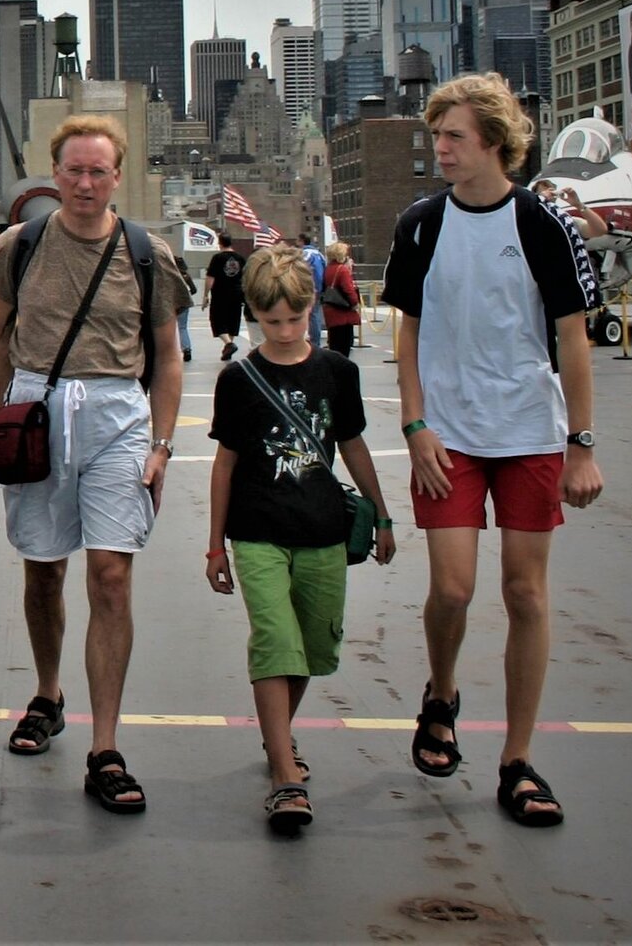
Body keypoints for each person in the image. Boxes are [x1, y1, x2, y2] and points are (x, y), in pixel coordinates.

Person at [386, 73, 603, 828]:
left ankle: (517, 760)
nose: (440, 149)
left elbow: (573, 337)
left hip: (528, 432)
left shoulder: (544, 225)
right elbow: (408, 333)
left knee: (525, 593)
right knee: (452, 589)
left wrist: (580, 445)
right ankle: (441, 695)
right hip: (448, 434)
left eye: (454, 137)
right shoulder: (421, 225)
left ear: (494, 143)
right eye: (436, 136)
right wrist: (415, 425)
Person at [0, 115, 192, 815]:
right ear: (56, 172)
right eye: (74, 169)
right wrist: (11, 412)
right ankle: (48, 693)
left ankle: (106, 747)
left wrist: (162, 445)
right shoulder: (22, 244)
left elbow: (168, 357)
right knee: (43, 569)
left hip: (117, 418)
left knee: (111, 576)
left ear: (117, 176)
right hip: (40, 409)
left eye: (98, 171)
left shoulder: (147, 254)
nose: (85, 183)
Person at [205, 246, 394, 834]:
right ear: (255, 316)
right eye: (272, 321)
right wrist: (215, 544)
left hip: (322, 530)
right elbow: (224, 464)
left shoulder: (337, 372)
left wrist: (383, 515)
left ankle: (277, 737)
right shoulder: (238, 379)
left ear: (311, 307)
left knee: (310, 648)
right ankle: (285, 773)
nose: (285, 332)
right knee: (274, 641)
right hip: (257, 530)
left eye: (294, 318)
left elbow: (352, 445)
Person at [205, 232, 247, 361]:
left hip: (220, 293)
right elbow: (246, 277)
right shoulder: (240, 258)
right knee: (233, 320)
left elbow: (210, 277)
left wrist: (205, 295)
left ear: (220, 243)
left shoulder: (217, 258)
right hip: (237, 293)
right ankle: (228, 347)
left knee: (217, 320)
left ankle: (229, 344)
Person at [320, 240, 362, 356]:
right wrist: (355, 302)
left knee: (334, 344)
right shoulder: (342, 270)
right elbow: (348, 289)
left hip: (330, 309)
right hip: (343, 312)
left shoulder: (328, 269)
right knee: (344, 346)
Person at [299, 233, 329, 348]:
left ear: (302, 241)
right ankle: (315, 341)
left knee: (308, 315)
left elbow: (299, 270)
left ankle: (313, 342)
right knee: (315, 314)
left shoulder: (305, 254)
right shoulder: (319, 254)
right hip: (319, 288)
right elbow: (325, 270)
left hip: (308, 288)